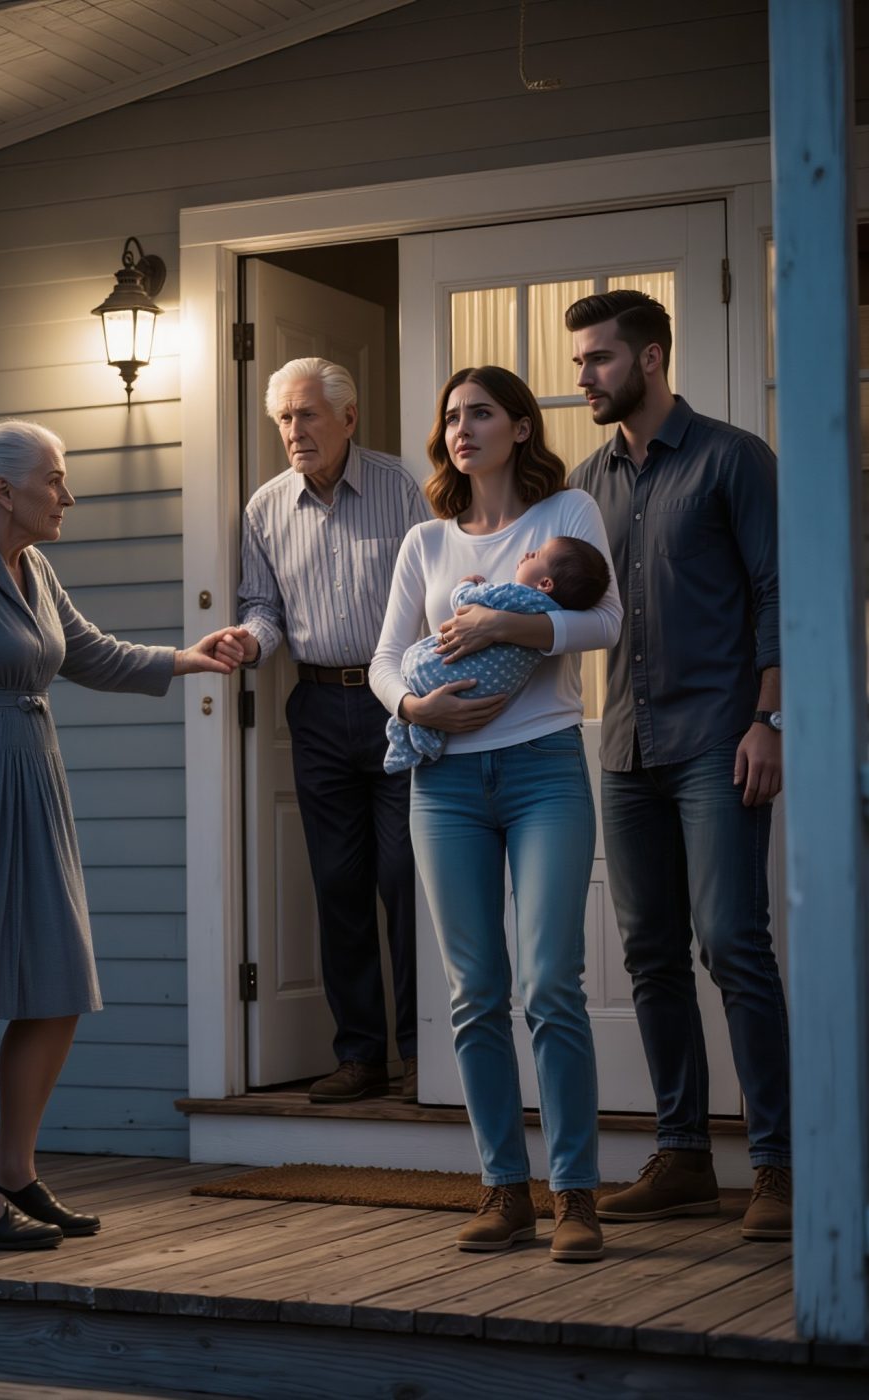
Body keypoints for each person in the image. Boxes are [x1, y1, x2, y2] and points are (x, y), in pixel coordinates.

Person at [0, 420, 237, 1252]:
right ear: (4, 491)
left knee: (57, 984)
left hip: (35, 786)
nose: (67, 495)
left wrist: (184, 658)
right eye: (56, 480)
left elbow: (85, 652)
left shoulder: (37, 568)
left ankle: (12, 1168)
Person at [370, 365, 621, 1262]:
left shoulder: (569, 517)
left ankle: (577, 1196)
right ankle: (501, 1191)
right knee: (474, 995)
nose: (462, 428)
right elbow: (385, 658)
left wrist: (501, 628)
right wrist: (412, 708)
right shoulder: (425, 543)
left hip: (545, 770)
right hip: (443, 784)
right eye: (451, 416)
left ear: (520, 426)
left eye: (480, 413)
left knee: (551, 984)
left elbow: (604, 626)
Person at [564, 290, 791, 1241]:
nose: (583, 377)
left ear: (652, 357)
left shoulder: (735, 459)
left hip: (717, 739)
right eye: (580, 362)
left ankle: (778, 1166)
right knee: (649, 953)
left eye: (600, 360)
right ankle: (685, 1156)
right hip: (624, 746)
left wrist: (771, 720)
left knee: (732, 943)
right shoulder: (585, 481)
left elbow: (781, 591)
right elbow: (569, 607)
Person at [214, 357, 430, 1105]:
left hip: (395, 703)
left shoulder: (403, 489)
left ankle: (422, 1055)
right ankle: (362, 1055)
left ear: (348, 417)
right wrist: (249, 641)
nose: (294, 431)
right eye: (283, 419)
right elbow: (264, 609)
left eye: (307, 415)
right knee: (338, 884)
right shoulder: (265, 508)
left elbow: (437, 598)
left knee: (404, 878)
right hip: (316, 709)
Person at [383, 536, 611, 770]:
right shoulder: (555, 614)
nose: (529, 553)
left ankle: (408, 741)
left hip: (438, 676)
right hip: (484, 693)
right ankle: (420, 738)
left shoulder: (517, 595)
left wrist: (466, 584)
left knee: (415, 658)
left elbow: (464, 601)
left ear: (544, 583)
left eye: (537, 554)